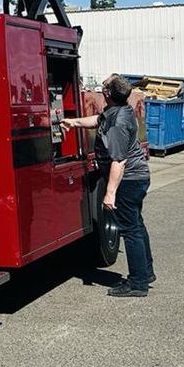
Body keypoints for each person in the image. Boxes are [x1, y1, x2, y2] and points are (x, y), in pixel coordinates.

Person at [62, 74, 155, 297]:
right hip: (137, 177)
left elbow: (119, 161)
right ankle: (146, 272)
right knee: (137, 225)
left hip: (129, 180)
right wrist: (73, 122)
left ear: (107, 95)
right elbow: (96, 120)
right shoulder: (119, 111)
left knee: (130, 230)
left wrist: (110, 193)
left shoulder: (116, 123)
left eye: (104, 88)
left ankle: (138, 283)